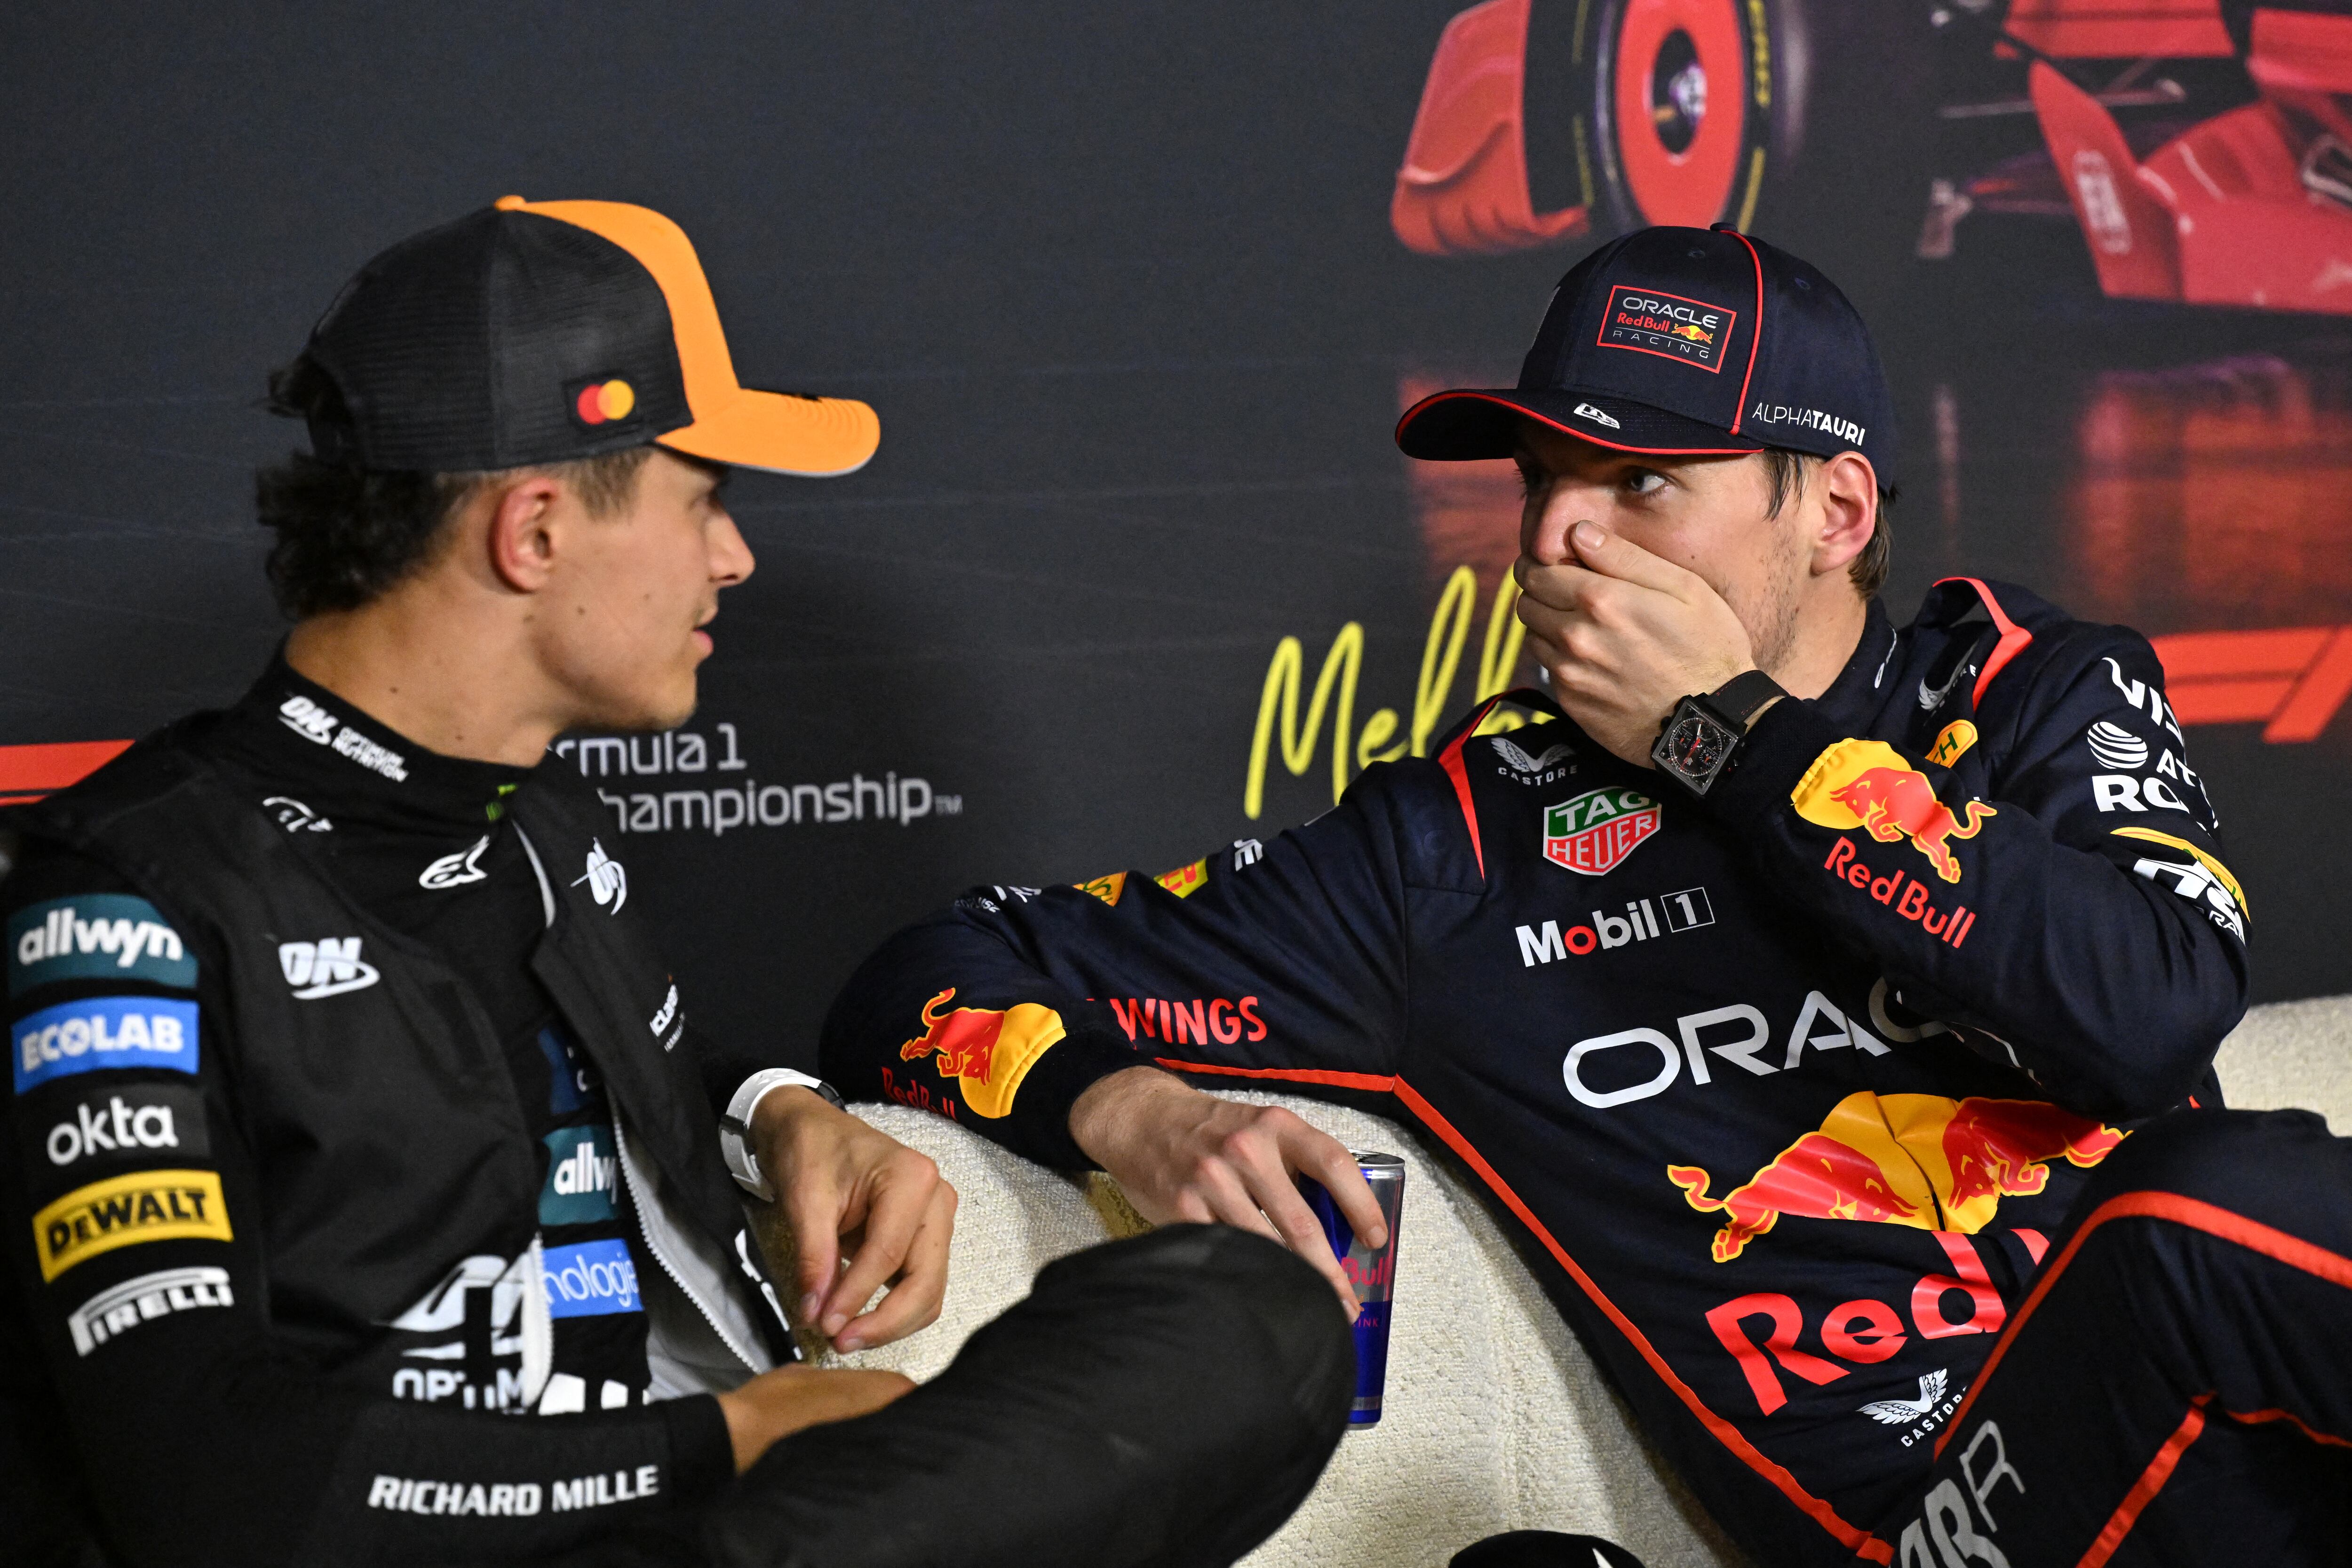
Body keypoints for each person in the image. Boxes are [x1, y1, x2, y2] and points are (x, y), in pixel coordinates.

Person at [821, 225, 2352, 1565]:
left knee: (2218, 1214)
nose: (1557, 535)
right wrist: (1131, 1112)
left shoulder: (2029, 696)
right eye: (1545, 478)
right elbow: (932, 969)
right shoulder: (1460, 847)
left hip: (2263, 1455)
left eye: (1643, 483)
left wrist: (1730, 738)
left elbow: (2146, 1015)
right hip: (1953, 1517)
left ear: (1832, 511)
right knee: (2196, 1224)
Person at [0, 196, 1351, 1568]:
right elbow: (212, 1489)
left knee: (1251, 1321)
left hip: (732, 1523)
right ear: (532, 532)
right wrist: (731, 1442)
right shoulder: (120, 905)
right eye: (700, 498)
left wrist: (780, 1113)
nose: (734, 556)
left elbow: (542, 1067)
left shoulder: (544, 834)